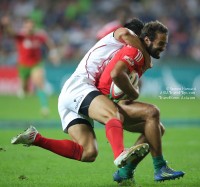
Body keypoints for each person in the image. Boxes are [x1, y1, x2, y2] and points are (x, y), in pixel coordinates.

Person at [97, 21, 184, 185]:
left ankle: (125, 173)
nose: (163, 48)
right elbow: (116, 74)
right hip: (107, 103)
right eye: (160, 44)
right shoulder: (135, 52)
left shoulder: (141, 56)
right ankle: (160, 168)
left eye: (165, 44)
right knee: (152, 112)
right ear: (146, 41)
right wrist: (133, 92)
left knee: (157, 129)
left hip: (112, 103)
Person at [1, 16, 60, 116]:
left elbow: (49, 42)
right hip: (23, 65)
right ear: (24, 26)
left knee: (40, 84)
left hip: (36, 64)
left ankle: (44, 108)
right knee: (24, 89)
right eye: (27, 25)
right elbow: (10, 33)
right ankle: (23, 90)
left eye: (31, 25)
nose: (30, 27)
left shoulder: (39, 35)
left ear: (33, 26)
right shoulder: (21, 35)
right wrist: (7, 25)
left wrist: (53, 53)